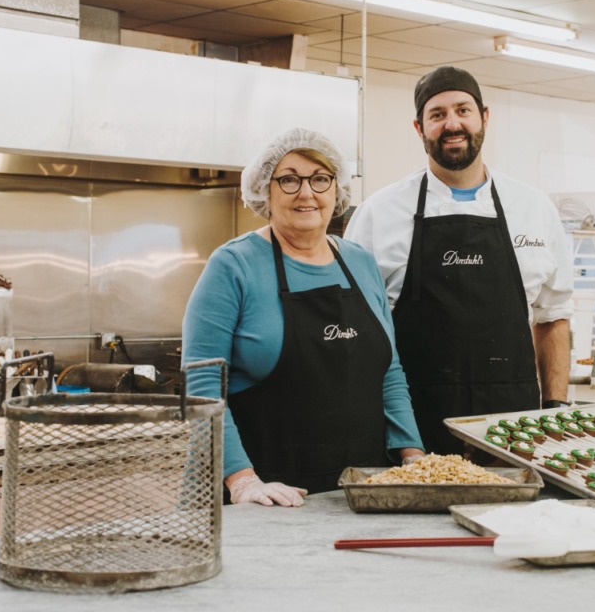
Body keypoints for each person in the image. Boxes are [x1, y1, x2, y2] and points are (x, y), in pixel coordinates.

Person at [182, 128, 425, 507]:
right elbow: (202, 386)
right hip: (265, 495)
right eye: (290, 179)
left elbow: (388, 372)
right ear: (267, 189)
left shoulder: (360, 263)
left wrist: (412, 456)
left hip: (359, 493)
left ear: (336, 190)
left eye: (320, 179)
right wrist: (243, 481)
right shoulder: (233, 265)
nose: (307, 192)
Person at [344, 66, 574, 456]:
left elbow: (553, 316)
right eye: (437, 115)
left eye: (463, 110)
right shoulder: (377, 213)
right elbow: (357, 332)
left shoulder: (533, 208)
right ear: (419, 128)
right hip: (411, 428)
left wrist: (554, 409)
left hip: (514, 428)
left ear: (484, 117)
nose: (452, 124)